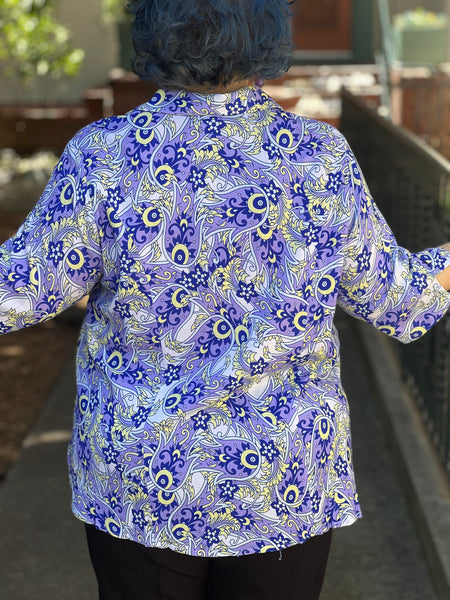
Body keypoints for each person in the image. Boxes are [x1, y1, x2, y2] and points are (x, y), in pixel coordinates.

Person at [1, 0, 450, 598]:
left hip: (142, 478)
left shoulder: (104, 155)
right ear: (268, 31)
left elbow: (18, 289)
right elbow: (398, 298)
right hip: (281, 480)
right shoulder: (318, 158)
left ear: (155, 29)